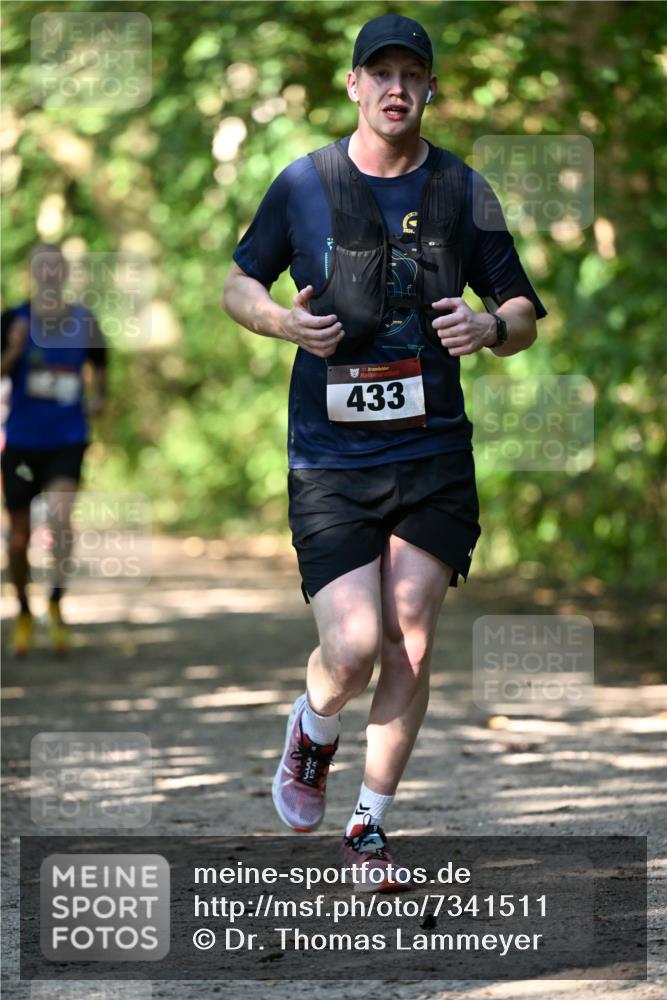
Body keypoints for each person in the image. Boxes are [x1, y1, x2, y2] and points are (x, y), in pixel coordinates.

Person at [223, 14, 546, 889]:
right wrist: (281, 320)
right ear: (354, 85)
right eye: (381, 72)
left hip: (433, 451)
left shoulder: (462, 190)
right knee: (354, 649)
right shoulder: (303, 184)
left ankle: (368, 825)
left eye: (412, 72)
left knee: (409, 637)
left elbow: (519, 307)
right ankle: (313, 725)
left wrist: (487, 325)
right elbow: (237, 281)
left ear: (429, 88)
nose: (396, 86)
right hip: (329, 459)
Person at [1, 243, 107, 656]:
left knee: (61, 520)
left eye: (55, 268)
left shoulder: (84, 320)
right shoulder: (14, 319)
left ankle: (57, 602)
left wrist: (97, 396)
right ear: (32, 274)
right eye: (41, 268)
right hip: (23, 443)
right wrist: (13, 349)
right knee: (18, 537)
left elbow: (100, 369)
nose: (48, 275)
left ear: (64, 275)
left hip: (67, 437)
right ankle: (25, 610)